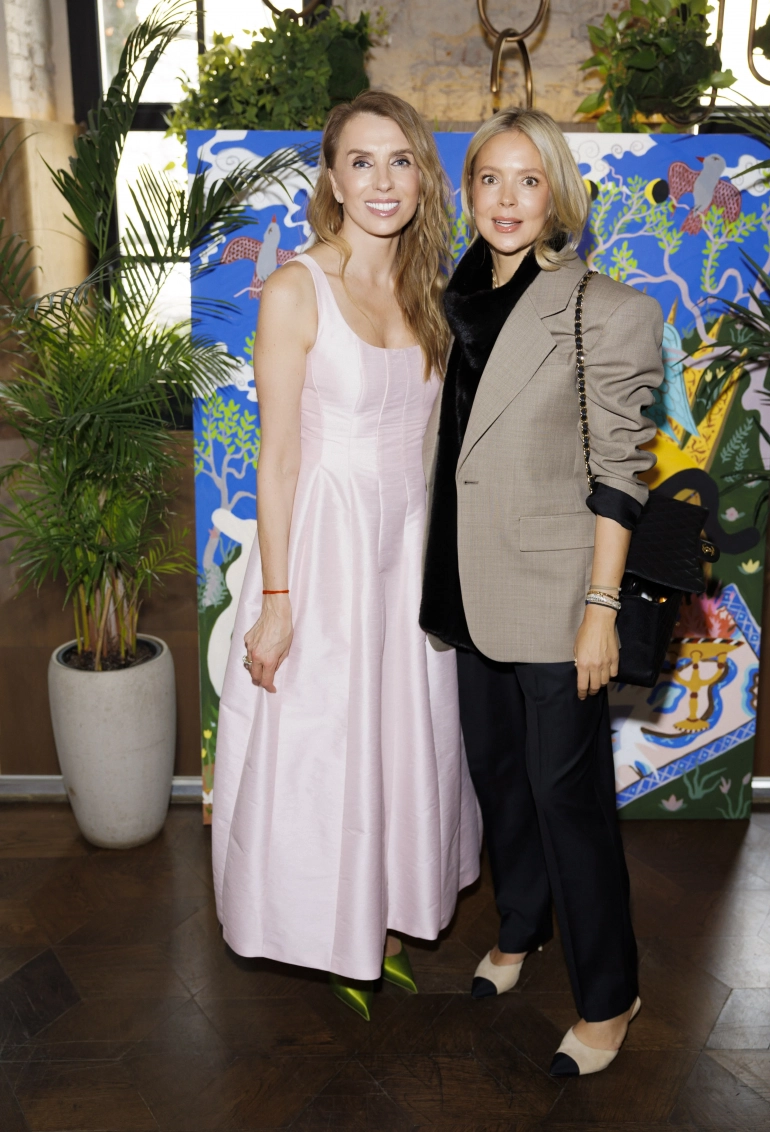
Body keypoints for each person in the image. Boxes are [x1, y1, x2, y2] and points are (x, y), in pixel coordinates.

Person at [212, 90, 481, 1023]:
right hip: (327, 546)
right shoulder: (296, 288)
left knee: (402, 736)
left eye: (400, 160)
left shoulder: (428, 285)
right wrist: (277, 598)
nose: (381, 180)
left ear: (423, 177)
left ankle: (386, 911)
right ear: (331, 178)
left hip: (408, 547)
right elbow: (278, 457)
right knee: (323, 743)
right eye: (361, 161)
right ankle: (321, 924)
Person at [420, 107, 664, 1076]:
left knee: (570, 799)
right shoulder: (448, 300)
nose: (508, 199)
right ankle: (520, 924)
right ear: (468, 191)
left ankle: (609, 995)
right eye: (490, 178)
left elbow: (621, 473)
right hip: (463, 588)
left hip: (557, 595)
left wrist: (599, 609)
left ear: (559, 195)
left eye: (529, 180)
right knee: (497, 778)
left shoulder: (605, 308)